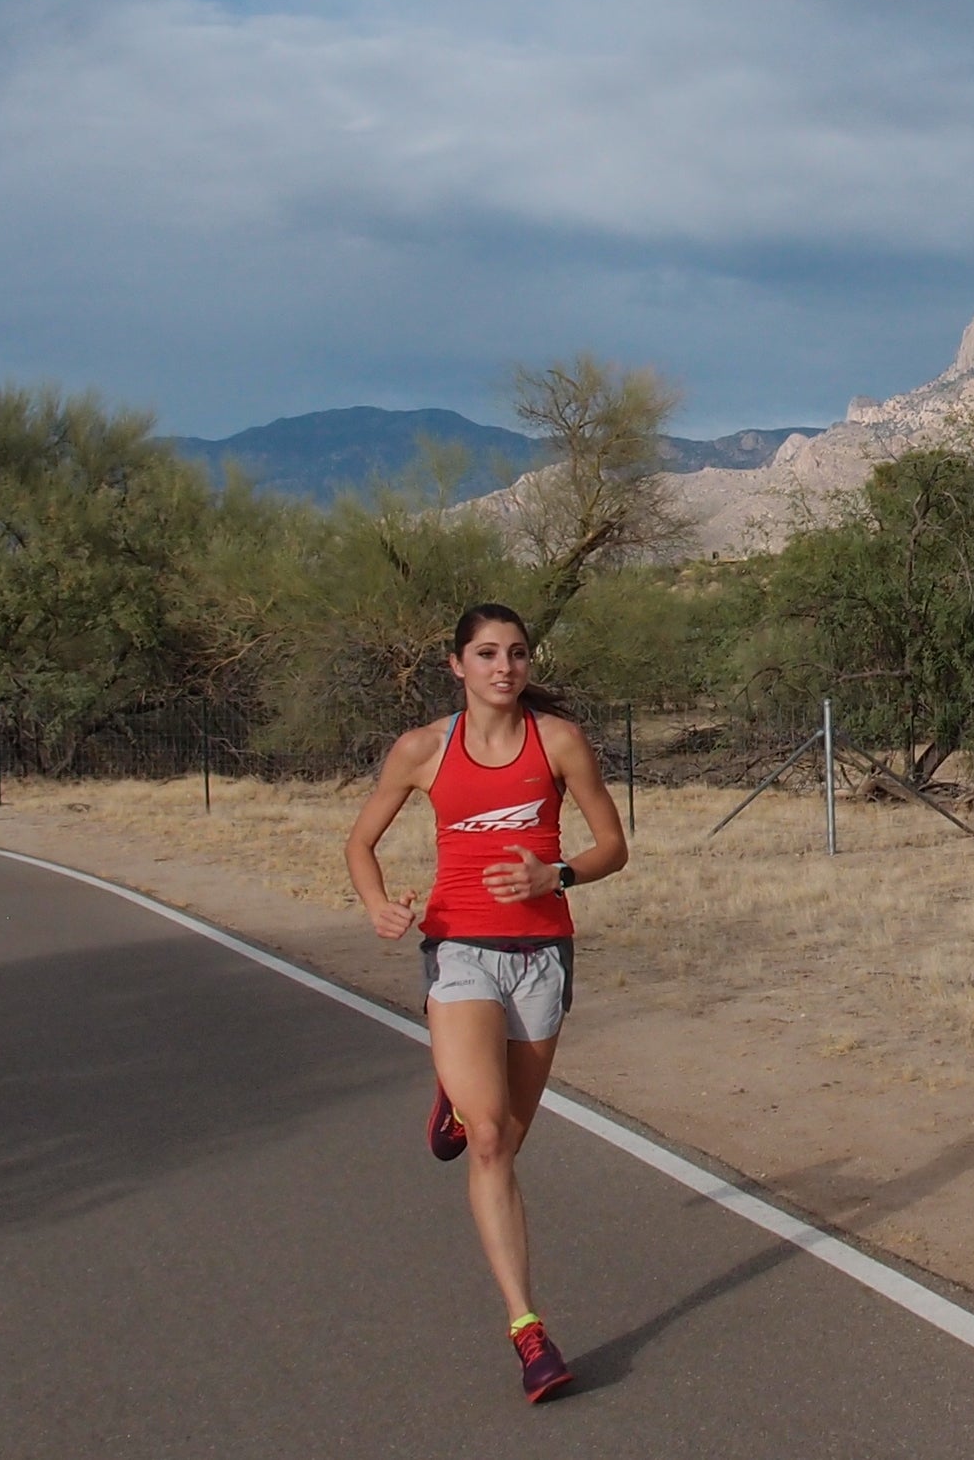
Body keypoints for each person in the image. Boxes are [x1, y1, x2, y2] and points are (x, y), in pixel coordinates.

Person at [345, 602, 631, 1405]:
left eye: (515, 654)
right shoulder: (422, 751)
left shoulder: (560, 743)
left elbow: (612, 846)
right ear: (456, 665)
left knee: (506, 1131)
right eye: (485, 654)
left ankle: (460, 1101)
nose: (503, 668)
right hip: (459, 949)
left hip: (541, 957)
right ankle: (528, 1331)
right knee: (494, 1144)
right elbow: (359, 843)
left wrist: (556, 876)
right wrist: (378, 907)